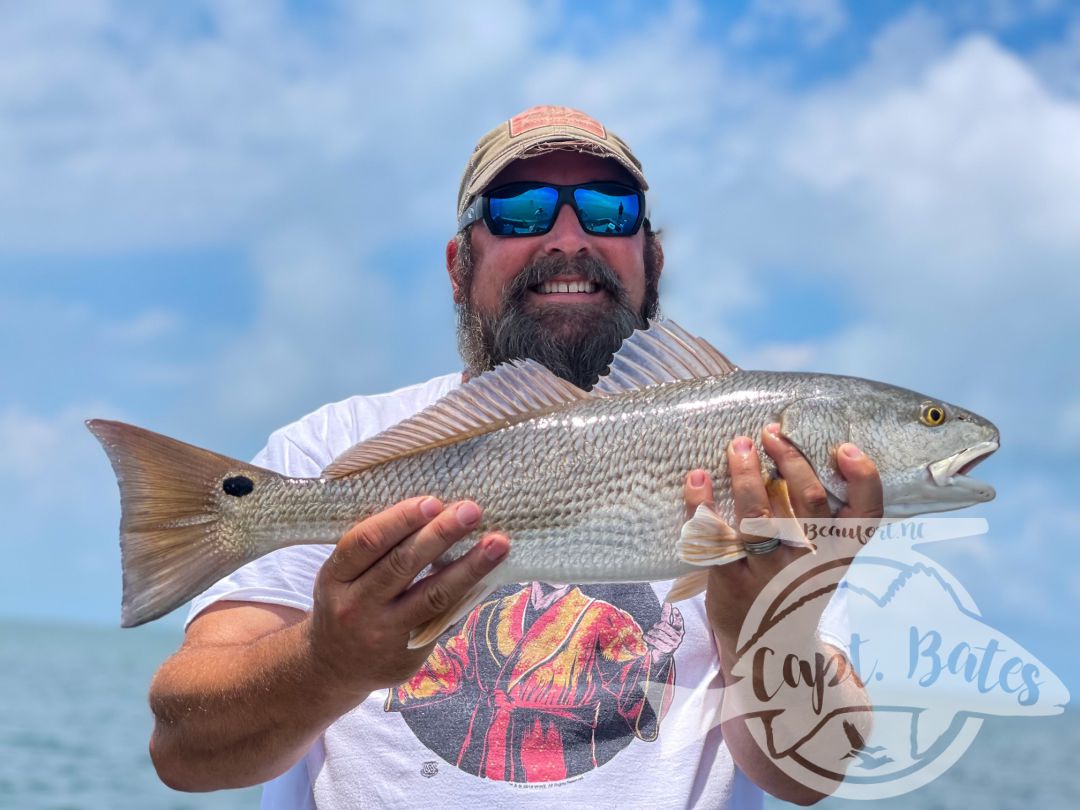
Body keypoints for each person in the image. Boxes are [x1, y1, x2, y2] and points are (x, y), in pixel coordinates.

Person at [148, 105, 882, 808]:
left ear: (651, 258)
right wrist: (324, 664)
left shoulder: (775, 483)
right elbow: (183, 748)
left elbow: (808, 774)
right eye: (520, 209)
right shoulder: (327, 446)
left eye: (609, 209)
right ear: (458, 264)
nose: (568, 238)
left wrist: (765, 628)